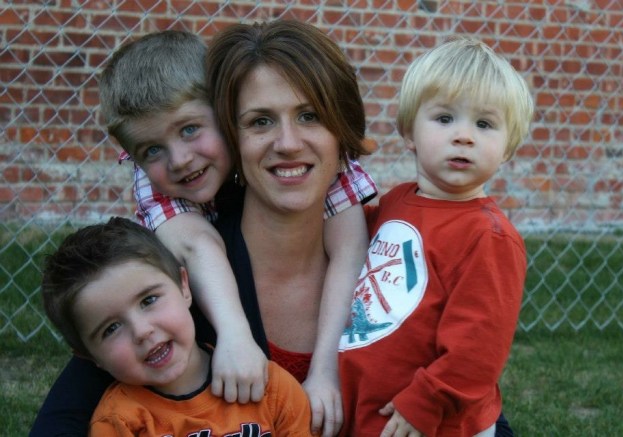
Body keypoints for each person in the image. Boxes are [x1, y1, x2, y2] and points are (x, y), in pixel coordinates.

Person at [30, 20, 372, 436]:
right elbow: (194, 246)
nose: (180, 160)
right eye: (260, 121)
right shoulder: (173, 280)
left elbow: (351, 245)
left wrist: (326, 370)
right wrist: (234, 333)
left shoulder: (387, 240)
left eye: (309, 116)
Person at [338, 37, 534, 437]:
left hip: (432, 421)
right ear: (408, 131)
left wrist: (426, 403)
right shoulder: (397, 201)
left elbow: (478, 348)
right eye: (444, 118)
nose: (464, 136)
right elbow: (349, 239)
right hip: (371, 404)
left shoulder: (488, 237)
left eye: (484, 124)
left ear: (507, 148)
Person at [40, 216, 314, 436]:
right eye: (111, 328)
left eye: (148, 300)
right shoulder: (119, 423)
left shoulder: (268, 387)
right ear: (90, 357)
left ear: (184, 286)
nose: (142, 331)